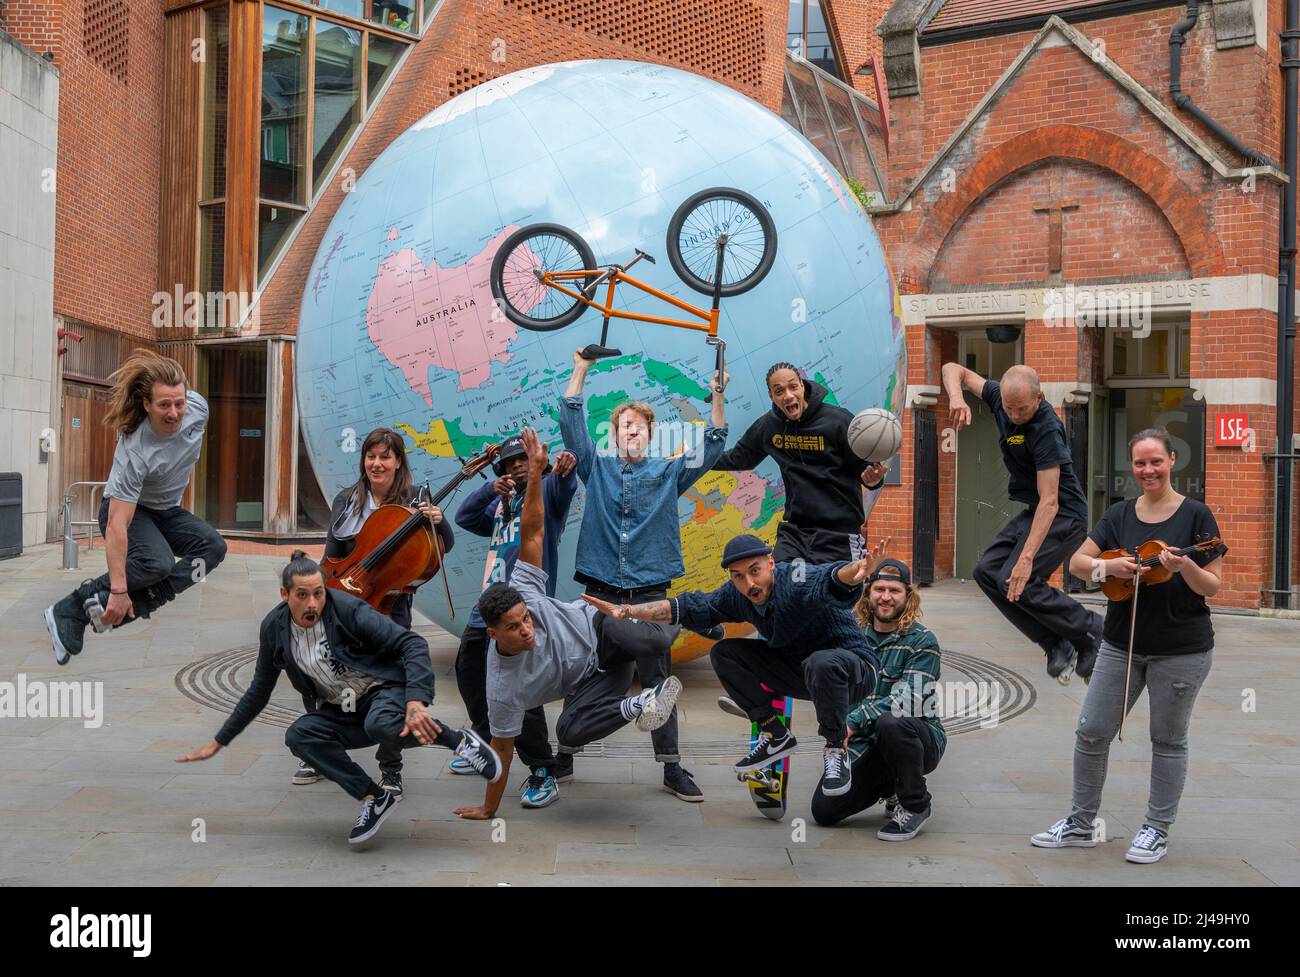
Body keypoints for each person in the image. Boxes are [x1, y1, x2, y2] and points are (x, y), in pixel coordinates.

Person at [177, 551, 501, 846]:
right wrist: (220, 740)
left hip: (383, 690)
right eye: (302, 595)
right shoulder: (274, 629)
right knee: (300, 735)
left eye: (318, 593)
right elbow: (259, 690)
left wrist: (416, 701)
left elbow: (411, 645)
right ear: (284, 595)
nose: (313, 604)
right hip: (344, 708)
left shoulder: (347, 610)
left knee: (382, 725)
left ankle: (459, 740)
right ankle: (375, 798)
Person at [453, 429, 682, 822]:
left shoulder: (526, 586)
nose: (528, 629)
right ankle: (639, 704)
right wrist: (488, 809)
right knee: (570, 731)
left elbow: (535, 529)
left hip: (602, 633)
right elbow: (505, 748)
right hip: (597, 677)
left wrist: (546, 472)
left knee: (625, 628)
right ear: (495, 636)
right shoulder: (503, 688)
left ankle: (688, 615)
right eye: (515, 628)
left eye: (526, 618)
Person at [1031, 429, 1226, 864]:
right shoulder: (1120, 514)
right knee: (1091, 730)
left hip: (1183, 648)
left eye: (1156, 461)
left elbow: (1212, 585)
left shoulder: (1197, 515)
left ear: (1172, 460)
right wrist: (1108, 565)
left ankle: (1156, 830)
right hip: (1121, 642)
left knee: (1168, 739)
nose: (1148, 470)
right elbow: (1078, 562)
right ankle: (1081, 825)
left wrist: (1185, 566)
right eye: (1140, 463)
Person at [582, 533, 885, 799]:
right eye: (739, 576)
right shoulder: (738, 596)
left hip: (854, 673)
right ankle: (774, 734)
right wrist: (628, 611)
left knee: (823, 661)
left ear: (770, 563)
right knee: (725, 653)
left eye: (755, 571)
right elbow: (686, 607)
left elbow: (826, 578)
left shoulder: (793, 577)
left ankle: (835, 748)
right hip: (805, 674)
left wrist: (852, 572)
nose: (750, 584)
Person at [559, 349, 729, 801]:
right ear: (614, 435)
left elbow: (713, 443)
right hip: (599, 594)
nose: (630, 430)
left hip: (650, 595)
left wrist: (716, 396)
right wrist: (580, 370)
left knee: (658, 678)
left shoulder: (669, 472)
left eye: (637, 425)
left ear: (650, 433)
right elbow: (572, 423)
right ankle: (564, 753)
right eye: (623, 426)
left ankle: (671, 768)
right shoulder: (596, 468)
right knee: (585, 672)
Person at [291, 428, 454, 797]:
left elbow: (445, 544)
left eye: (384, 457)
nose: (376, 464)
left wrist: (438, 522)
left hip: (388, 604)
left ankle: (391, 768)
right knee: (313, 665)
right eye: (371, 456)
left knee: (388, 684)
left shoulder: (415, 499)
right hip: (345, 593)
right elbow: (332, 551)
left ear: (398, 462)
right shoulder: (347, 499)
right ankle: (318, 750)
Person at [45, 349, 228, 666]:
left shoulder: (198, 408)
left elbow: (184, 403)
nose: (174, 413)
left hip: (166, 511)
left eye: (178, 403)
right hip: (130, 512)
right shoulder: (135, 449)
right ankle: (71, 607)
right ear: (147, 405)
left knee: (212, 547)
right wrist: (117, 590)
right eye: (164, 406)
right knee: (157, 562)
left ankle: (145, 602)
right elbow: (117, 524)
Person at [941, 361, 1102, 684]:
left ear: (1039, 397)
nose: (1013, 416)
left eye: (1021, 410)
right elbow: (952, 367)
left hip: (1063, 515)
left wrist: (1026, 559)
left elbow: (1051, 500)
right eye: (1009, 409)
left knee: (1021, 579)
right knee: (987, 573)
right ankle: (1055, 642)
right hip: (1034, 509)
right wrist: (957, 398)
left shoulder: (1046, 429)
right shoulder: (999, 396)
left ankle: (1093, 630)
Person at [451, 432, 579, 807]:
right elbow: (464, 516)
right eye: (511, 463)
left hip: (523, 607)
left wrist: (561, 463)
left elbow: (567, 477)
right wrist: (492, 490)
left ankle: (542, 769)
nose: (518, 466)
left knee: (523, 688)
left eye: (524, 459)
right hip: (487, 606)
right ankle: (489, 744)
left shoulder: (548, 494)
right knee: (470, 672)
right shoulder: (500, 504)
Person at [811, 558, 945, 842]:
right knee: (824, 812)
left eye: (894, 590)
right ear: (868, 593)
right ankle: (892, 785)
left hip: (917, 739)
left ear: (908, 597)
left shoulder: (923, 642)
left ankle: (916, 803)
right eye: (879, 589)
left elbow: (908, 699)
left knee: (892, 723)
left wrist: (852, 722)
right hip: (865, 743)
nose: (886, 597)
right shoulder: (850, 637)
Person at [712, 362, 887, 563]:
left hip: (839, 534)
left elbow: (866, 471)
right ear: (771, 396)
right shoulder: (769, 426)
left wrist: (873, 480)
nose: (787, 395)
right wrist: (691, 459)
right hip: (796, 534)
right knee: (783, 586)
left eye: (792, 387)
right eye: (779, 391)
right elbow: (737, 458)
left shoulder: (839, 421)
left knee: (838, 592)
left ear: (802, 386)